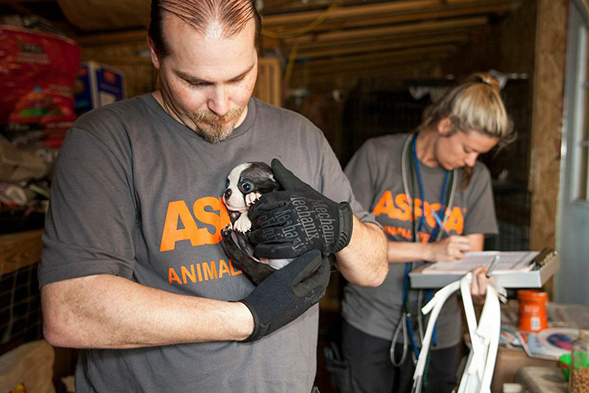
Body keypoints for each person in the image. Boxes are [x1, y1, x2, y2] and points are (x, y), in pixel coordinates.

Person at [38, 1, 388, 392]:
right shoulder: (107, 141)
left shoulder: (301, 136)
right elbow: (70, 310)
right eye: (195, 82)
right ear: (155, 52)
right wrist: (247, 318)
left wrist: (338, 226)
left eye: (240, 77)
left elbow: (373, 270)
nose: (222, 106)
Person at [340, 73, 513, 393]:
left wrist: (478, 286)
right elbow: (349, 245)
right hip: (371, 323)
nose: (470, 161)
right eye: (467, 148)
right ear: (445, 125)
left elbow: (470, 260)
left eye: (479, 154)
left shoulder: (476, 178)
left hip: (438, 332)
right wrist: (429, 251)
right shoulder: (377, 156)